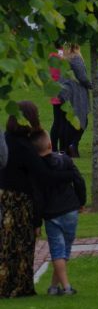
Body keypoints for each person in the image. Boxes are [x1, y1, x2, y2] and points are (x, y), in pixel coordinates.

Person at [0, 102, 77, 298]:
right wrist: (69, 175)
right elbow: (43, 175)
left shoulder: (7, 138)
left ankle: (6, 284)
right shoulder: (25, 145)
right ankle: (18, 286)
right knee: (22, 244)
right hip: (20, 199)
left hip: (4, 195)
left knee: (6, 242)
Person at [33, 131, 86, 296]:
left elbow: (37, 197)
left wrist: (37, 221)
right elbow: (79, 180)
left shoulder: (37, 170)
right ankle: (54, 287)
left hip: (51, 213)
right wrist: (81, 201)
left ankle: (66, 287)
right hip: (70, 208)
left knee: (57, 250)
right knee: (65, 250)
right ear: (50, 145)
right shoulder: (65, 160)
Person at [58, 43, 92, 158]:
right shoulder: (75, 58)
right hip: (75, 93)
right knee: (82, 120)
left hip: (64, 92)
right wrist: (91, 85)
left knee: (68, 121)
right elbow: (82, 77)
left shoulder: (63, 58)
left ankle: (67, 147)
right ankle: (73, 145)